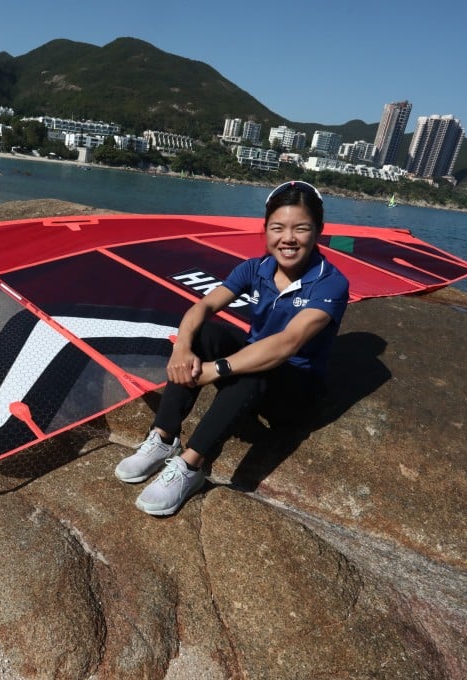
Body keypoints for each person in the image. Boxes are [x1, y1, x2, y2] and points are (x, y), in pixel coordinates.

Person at [115, 181, 349, 515]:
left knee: (256, 367)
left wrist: (217, 369)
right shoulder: (256, 268)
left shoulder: (330, 283)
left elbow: (286, 343)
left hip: (294, 392)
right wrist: (182, 349)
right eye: (278, 228)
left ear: (319, 230)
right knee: (205, 334)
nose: (288, 238)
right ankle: (164, 437)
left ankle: (191, 466)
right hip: (254, 367)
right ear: (265, 229)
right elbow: (202, 308)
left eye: (301, 229)